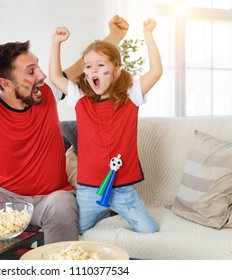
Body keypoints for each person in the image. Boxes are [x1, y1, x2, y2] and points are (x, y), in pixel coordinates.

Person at [0, 15, 129, 244]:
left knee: (61, 204)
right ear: (6, 84)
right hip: (7, 200)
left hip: (53, 199)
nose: (42, 75)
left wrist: (115, 36)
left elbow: (82, 68)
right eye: (31, 71)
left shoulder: (45, 92)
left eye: (37, 66)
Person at [49, 19, 162, 235]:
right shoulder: (79, 98)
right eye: (88, 66)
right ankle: (101, 212)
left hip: (123, 190)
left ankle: (107, 211)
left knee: (150, 230)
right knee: (77, 234)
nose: (93, 71)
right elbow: (55, 77)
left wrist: (148, 34)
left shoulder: (131, 97)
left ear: (116, 71)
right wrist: (56, 43)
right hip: (88, 190)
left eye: (101, 66)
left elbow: (155, 72)